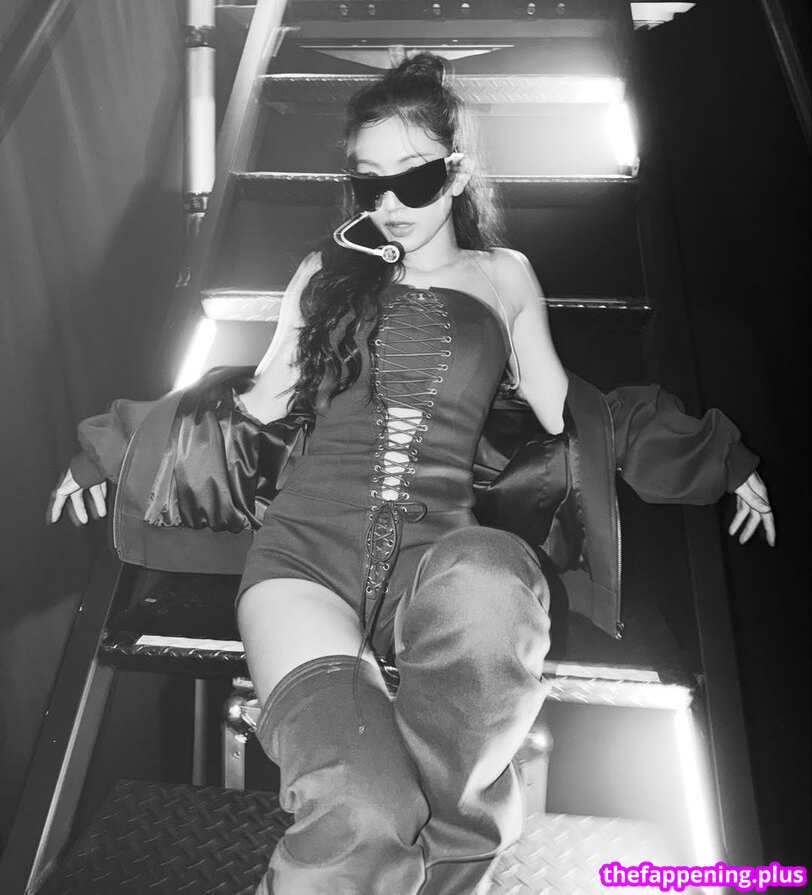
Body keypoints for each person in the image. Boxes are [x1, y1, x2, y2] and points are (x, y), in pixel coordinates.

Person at [51, 54, 774, 895]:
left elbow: (566, 413)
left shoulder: (504, 276)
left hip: (439, 561)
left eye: (416, 178)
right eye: (370, 183)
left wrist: (711, 459)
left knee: (496, 578)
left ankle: (443, 865)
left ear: (457, 174)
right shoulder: (327, 272)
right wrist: (115, 446)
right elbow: (258, 399)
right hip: (302, 562)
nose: (390, 202)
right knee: (362, 805)